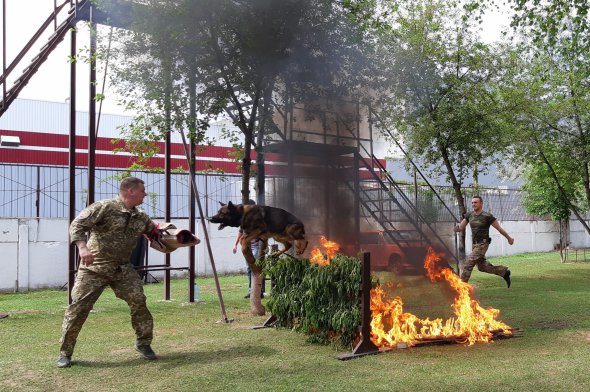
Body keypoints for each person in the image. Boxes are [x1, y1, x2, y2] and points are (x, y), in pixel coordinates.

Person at [57, 177, 159, 368]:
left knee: (139, 300)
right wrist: (82, 247)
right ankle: (65, 353)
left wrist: (181, 238)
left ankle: (144, 344)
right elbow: (77, 225)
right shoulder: (104, 207)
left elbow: (156, 235)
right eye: (143, 191)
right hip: (94, 267)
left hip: (122, 268)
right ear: (130, 191)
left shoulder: (141, 216)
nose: (145, 194)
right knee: (78, 308)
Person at [454, 195, 514, 287]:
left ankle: (461, 288)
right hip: (474, 244)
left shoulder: (487, 216)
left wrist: (509, 238)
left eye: (476, 202)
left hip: (483, 244)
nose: (473, 204)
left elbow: (499, 228)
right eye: (472, 202)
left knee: (469, 263)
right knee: (482, 267)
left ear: (481, 203)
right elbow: (461, 227)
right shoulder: (469, 215)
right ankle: (504, 272)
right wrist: (455, 228)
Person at [232, 199, 265, 298]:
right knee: (249, 268)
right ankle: (252, 291)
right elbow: (240, 232)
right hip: (247, 246)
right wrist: (235, 244)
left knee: (256, 267)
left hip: (257, 246)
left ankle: (259, 291)